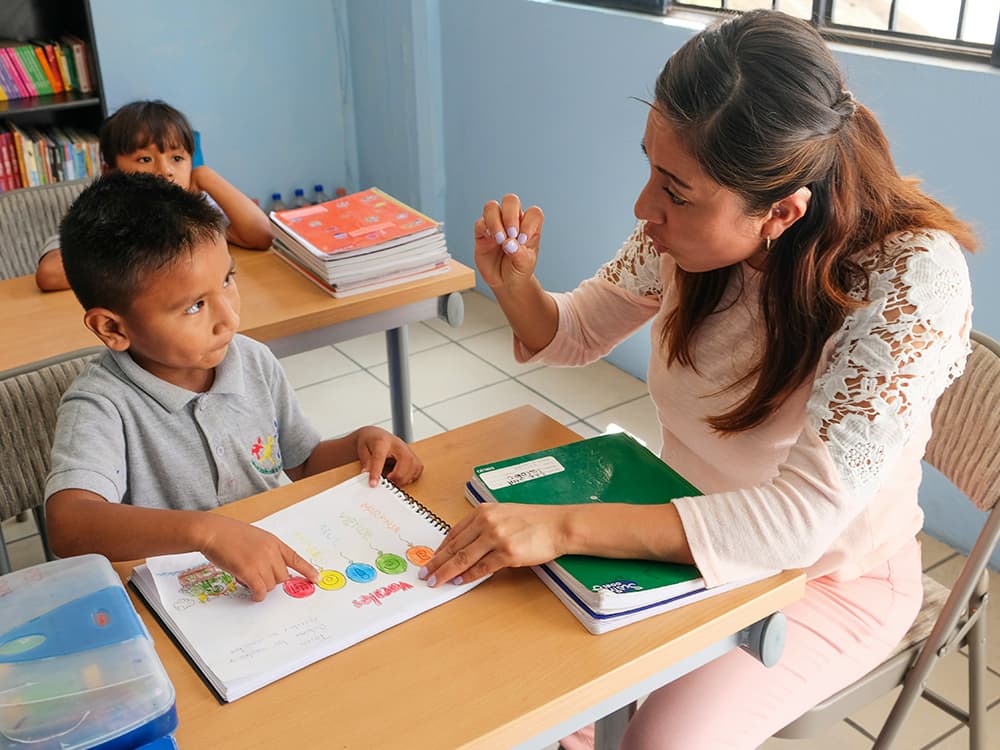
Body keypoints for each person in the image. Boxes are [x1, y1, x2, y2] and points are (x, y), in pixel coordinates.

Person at [421, 9, 977, 749]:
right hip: (677, 531)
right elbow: (576, 332)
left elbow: (796, 525)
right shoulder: (690, 233)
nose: (644, 208)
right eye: (651, 167)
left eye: (676, 192)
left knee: (652, 740)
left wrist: (560, 525)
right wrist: (516, 287)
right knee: (518, 683)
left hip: (827, 578)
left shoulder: (910, 278)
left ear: (781, 211)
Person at [44, 172, 422, 602]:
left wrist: (358, 444)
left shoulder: (253, 360)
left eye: (227, 280)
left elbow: (303, 461)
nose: (228, 319)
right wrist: (207, 532)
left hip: (274, 575)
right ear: (112, 327)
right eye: (193, 306)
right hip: (179, 598)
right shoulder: (101, 404)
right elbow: (69, 525)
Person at [35, 99, 273, 291]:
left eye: (177, 158)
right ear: (111, 172)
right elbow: (50, 274)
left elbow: (261, 235)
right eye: (145, 159)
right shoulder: (102, 216)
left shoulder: (197, 210)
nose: (165, 171)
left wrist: (205, 175)